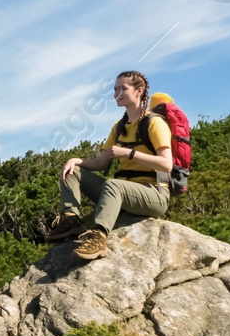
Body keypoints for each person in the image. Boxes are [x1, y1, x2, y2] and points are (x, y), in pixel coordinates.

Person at [49, 71, 174, 260]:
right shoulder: (119, 126)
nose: (117, 93)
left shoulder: (155, 123)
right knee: (72, 171)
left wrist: (129, 153)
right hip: (123, 194)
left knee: (113, 184)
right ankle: (71, 220)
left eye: (123, 88)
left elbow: (167, 165)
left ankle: (98, 238)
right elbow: (100, 163)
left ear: (139, 91)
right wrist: (75, 161)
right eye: (115, 89)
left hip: (154, 195)